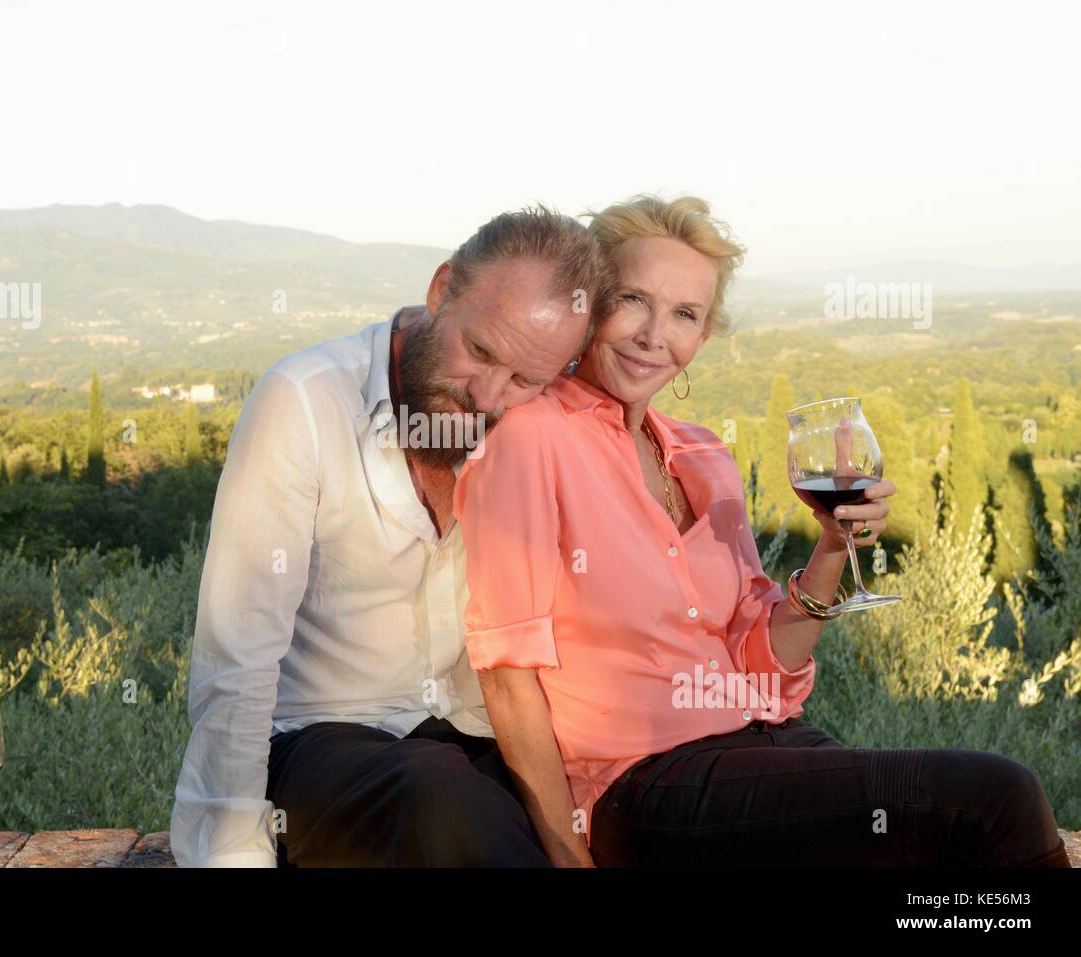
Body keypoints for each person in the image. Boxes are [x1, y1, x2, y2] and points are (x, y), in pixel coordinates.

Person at [452, 193, 1073, 868]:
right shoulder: (529, 437)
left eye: (684, 314)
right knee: (993, 796)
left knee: (940, 851)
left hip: (763, 743)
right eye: (632, 299)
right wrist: (569, 857)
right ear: (587, 303)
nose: (653, 334)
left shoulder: (702, 457)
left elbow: (762, 657)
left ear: (702, 335)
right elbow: (509, 674)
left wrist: (832, 546)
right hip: (646, 786)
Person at [169, 205, 614, 866]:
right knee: (438, 797)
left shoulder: (538, 427)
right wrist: (230, 852)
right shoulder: (305, 400)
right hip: (321, 742)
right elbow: (238, 661)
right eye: (481, 351)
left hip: (474, 743)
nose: (486, 395)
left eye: (526, 380)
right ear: (442, 290)